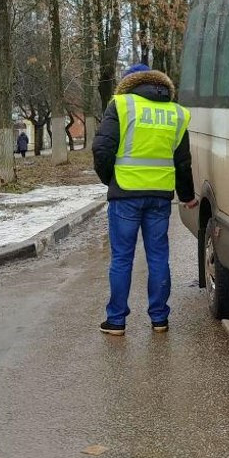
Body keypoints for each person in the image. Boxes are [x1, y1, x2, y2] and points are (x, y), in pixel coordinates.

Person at [92, 63, 196, 335]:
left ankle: (116, 321)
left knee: (122, 258)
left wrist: (110, 180)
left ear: (130, 84)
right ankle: (159, 319)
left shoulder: (122, 105)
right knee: (159, 256)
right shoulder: (176, 113)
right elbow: (183, 161)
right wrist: (187, 195)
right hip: (160, 196)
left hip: (125, 193)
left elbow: (102, 148)